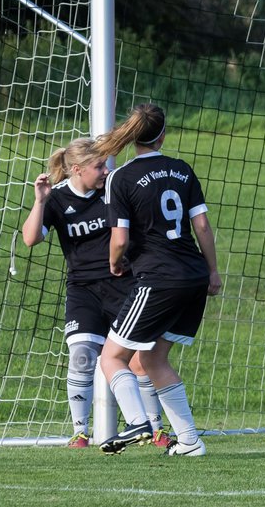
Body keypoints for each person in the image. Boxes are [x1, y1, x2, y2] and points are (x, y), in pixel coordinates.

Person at [21, 138, 172, 449]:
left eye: (105, 164)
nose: (106, 171)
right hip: (83, 290)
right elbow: (30, 239)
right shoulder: (58, 199)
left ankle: (156, 429)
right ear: (77, 169)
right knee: (81, 356)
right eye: (99, 166)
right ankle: (80, 432)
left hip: (125, 286)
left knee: (140, 360)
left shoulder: (113, 191)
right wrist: (39, 201)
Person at [94, 103, 222, 457]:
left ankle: (136, 421)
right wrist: (212, 271)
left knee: (112, 357)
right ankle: (190, 442)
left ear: (133, 136)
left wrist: (115, 264)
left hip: (159, 279)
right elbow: (202, 227)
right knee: (153, 360)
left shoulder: (121, 177)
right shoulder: (182, 170)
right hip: (193, 276)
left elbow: (119, 239)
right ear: (163, 135)